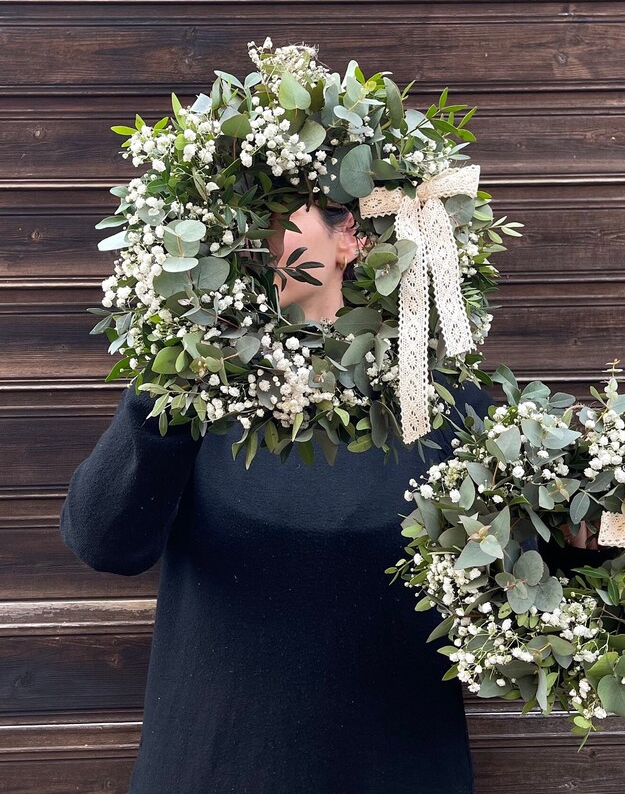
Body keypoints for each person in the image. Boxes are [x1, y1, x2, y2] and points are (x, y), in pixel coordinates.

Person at [60, 202, 497, 794]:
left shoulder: (443, 400)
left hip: (396, 767)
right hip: (211, 766)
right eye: (236, 211)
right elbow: (104, 542)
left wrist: (584, 549)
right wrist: (164, 381)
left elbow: (522, 575)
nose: (247, 237)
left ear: (351, 238)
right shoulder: (203, 389)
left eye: (276, 211)